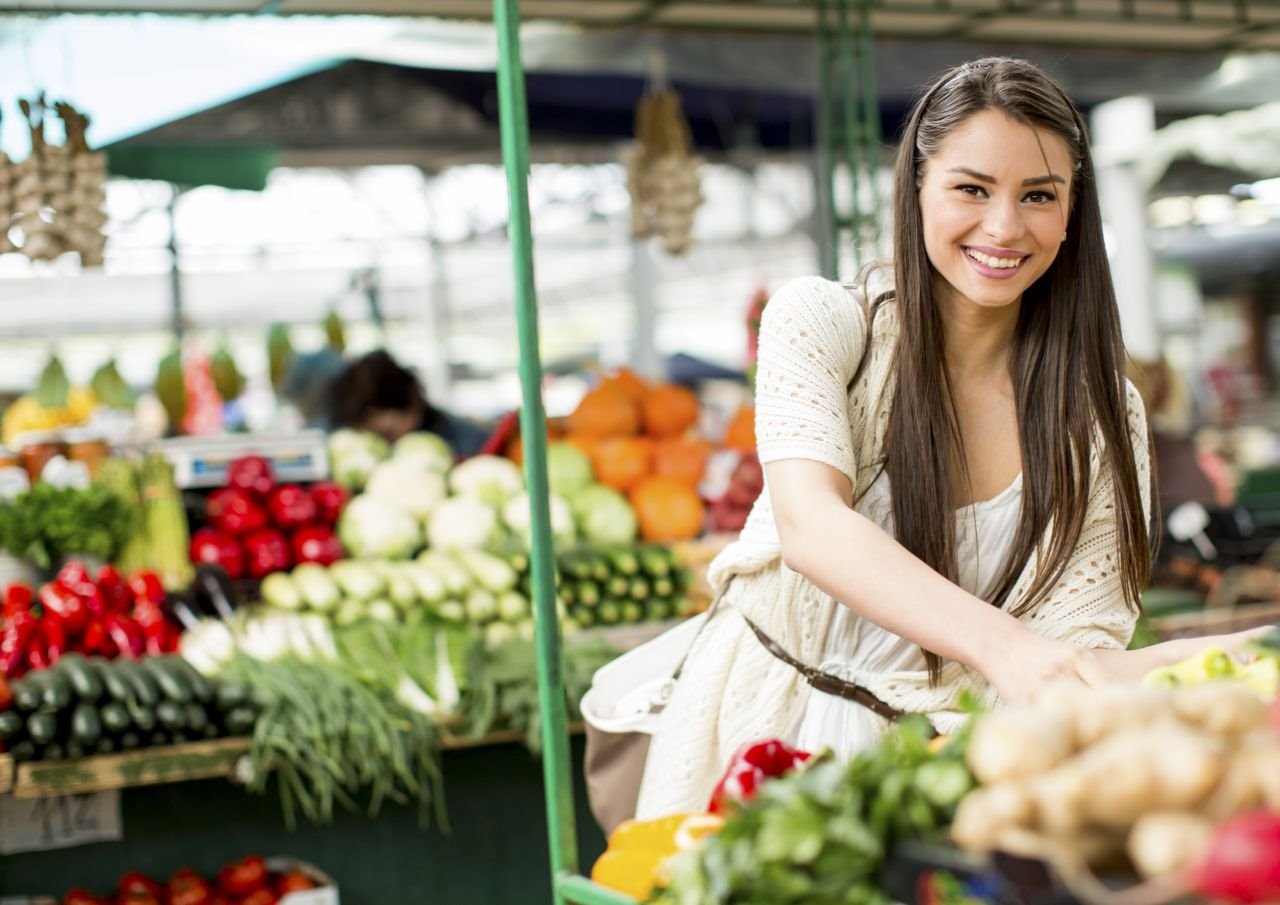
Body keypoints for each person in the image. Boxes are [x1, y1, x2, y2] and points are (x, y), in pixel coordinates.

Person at [633, 57, 1272, 820]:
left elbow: (1075, 660)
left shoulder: (1102, 415)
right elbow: (812, 526)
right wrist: (1005, 648)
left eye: (1039, 195)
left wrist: (1248, 651)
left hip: (936, 772)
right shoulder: (826, 323)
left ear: (1073, 212)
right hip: (757, 739)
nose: (1004, 227)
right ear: (916, 188)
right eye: (972, 188)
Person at [327, 350, 490, 457]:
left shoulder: (469, 443)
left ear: (414, 405)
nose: (382, 445)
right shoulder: (338, 442)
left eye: (388, 434)